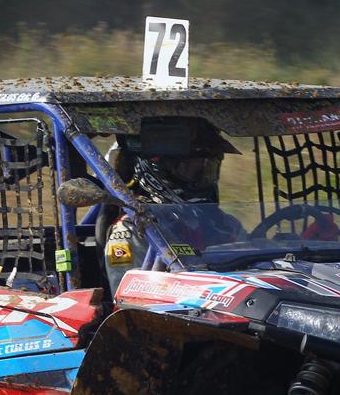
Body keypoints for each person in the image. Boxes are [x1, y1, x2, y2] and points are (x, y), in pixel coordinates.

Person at [102, 120, 246, 292]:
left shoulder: (225, 225)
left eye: (210, 168)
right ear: (161, 170)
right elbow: (127, 297)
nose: (203, 178)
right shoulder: (132, 230)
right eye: (193, 169)